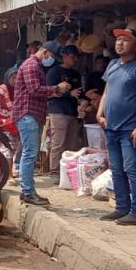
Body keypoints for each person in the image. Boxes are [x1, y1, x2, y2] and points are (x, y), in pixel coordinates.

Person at [97, 28, 136, 226]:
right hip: (111, 127)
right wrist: (100, 113)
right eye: (118, 39)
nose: (119, 43)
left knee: (133, 170)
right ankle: (122, 207)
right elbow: (106, 93)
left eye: (125, 40)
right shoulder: (113, 65)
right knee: (116, 169)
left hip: (129, 129)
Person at [12, 41, 71, 206]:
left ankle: (27, 191)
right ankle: (28, 191)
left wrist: (53, 92)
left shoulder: (34, 65)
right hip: (28, 113)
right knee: (30, 154)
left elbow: (36, 92)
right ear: (44, 52)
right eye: (51, 56)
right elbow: (34, 90)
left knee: (29, 153)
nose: (51, 60)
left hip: (31, 114)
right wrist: (56, 88)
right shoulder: (31, 65)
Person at [46, 45, 85, 176]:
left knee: (71, 142)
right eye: (72, 57)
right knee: (58, 142)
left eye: (76, 57)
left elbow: (78, 92)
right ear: (65, 56)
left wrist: (86, 95)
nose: (75, 60)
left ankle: (67, 169)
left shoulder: (75, 74)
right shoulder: (54, 72)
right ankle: (55, 170)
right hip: (58, 110)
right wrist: (69, 94)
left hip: (72, 111)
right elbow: (49, 92)